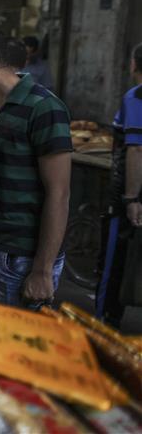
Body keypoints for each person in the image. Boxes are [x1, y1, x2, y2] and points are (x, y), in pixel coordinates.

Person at [0, 20, 72, 308]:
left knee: (15, 336)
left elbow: (59, 194)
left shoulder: (44, 108)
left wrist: (42, 270)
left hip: (22, 259)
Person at [96, 43, 142, 327]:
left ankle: (104, 324)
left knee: (113, 263)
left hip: (128, 198)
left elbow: (136, 149)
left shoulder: (135, 97)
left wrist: (131, 198)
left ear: (134, 64)